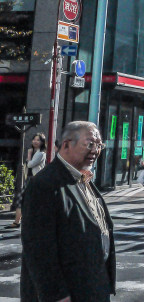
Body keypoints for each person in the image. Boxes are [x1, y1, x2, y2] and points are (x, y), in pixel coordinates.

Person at [21, 121, 115, 302]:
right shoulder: (45, 184)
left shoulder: (83, 179)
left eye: (99, 145)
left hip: (92, 287)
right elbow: (38, 247)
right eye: (89, 144)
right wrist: (57, 294)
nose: (95, 150)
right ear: (66, 145)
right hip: (67, 293)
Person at [10, 132, 47, 229]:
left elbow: (30, 164)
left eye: (38, 140)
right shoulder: (34, 152)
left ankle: (28, 222)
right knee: (21, 199)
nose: (35, 141)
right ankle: (17, 221)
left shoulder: (41, 153)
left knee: (32, 201)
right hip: (29, 179)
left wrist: (29, 155)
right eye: (34, 139)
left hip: (35, 180)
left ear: (42, 142)